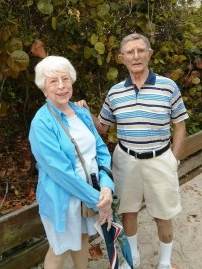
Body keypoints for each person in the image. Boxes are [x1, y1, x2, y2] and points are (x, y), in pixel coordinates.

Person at [76, 33, 189, 269]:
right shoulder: (115, 92)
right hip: (126, 159)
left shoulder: (168, 87)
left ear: (149, 54)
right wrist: (86, 113)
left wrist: (174, 158)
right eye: (130, 52)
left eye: (140, 50)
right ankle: (133, 256)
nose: (135, 56)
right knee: (128, 212)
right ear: (122, 58)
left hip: (160, 158)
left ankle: (165, 263)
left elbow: (179, 124)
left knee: (163, 213)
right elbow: (103, 128)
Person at [29, 56, 114, 269]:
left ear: (72, 81)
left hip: (91, 193)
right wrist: (98, 199)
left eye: (65, 79)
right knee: (61, 249)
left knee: (83, 238)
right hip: (64, 200)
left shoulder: (81, 112)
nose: (61, 86)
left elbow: (101, 150)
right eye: (53, 81)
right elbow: (61, 172)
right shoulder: (41, 123)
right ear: (43, 88)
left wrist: (106, 185)